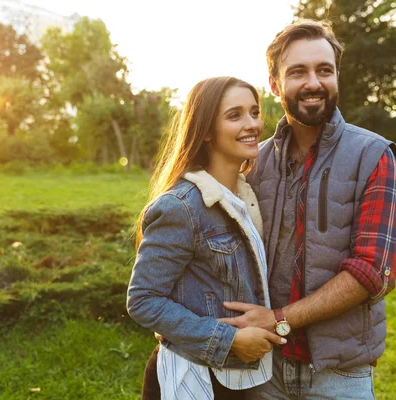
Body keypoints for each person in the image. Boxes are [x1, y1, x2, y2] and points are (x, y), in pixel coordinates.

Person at [218, 20, 396, 399]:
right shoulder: (253, 161)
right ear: (274, 84)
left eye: (324, 70)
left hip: (339, 376)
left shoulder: (374, 156)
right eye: (297, 72)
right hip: (263, 370)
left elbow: (372, 273)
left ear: (337, 77)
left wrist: (279, 320)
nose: (313, 82)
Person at [127, 76, 286, 400]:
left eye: (254, 112)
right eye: (235, 115)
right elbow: (143, 300)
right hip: (193, 376)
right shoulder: (182, 206)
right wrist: (228, 340)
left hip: (239, 380)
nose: (252, 123)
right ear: (207, 132)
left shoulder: (246, 198)